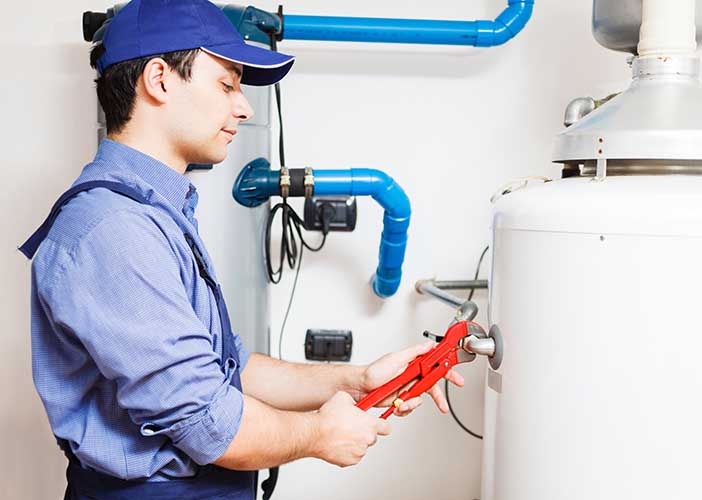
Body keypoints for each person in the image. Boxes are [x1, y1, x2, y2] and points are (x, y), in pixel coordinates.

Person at [20, 1, 464, 498]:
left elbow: (229, 369)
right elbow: (209, 424)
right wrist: (320, 433)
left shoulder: (157, 212)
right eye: (227, 84)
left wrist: (357, 380)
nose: (244, 106)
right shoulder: (113, 229)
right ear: (159, 79)